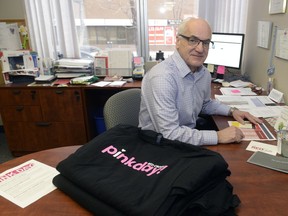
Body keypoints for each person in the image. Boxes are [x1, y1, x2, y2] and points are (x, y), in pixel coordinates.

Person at [138, 17, 262, 146]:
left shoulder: (203, 73)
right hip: (158, 145)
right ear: (178, 41)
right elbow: (169, 134)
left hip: (186, 137)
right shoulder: (162, 77)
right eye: (193, 40)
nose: (200, 49)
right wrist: (218, 136)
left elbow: (204, 104)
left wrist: (232, 111)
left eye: (206, 43)